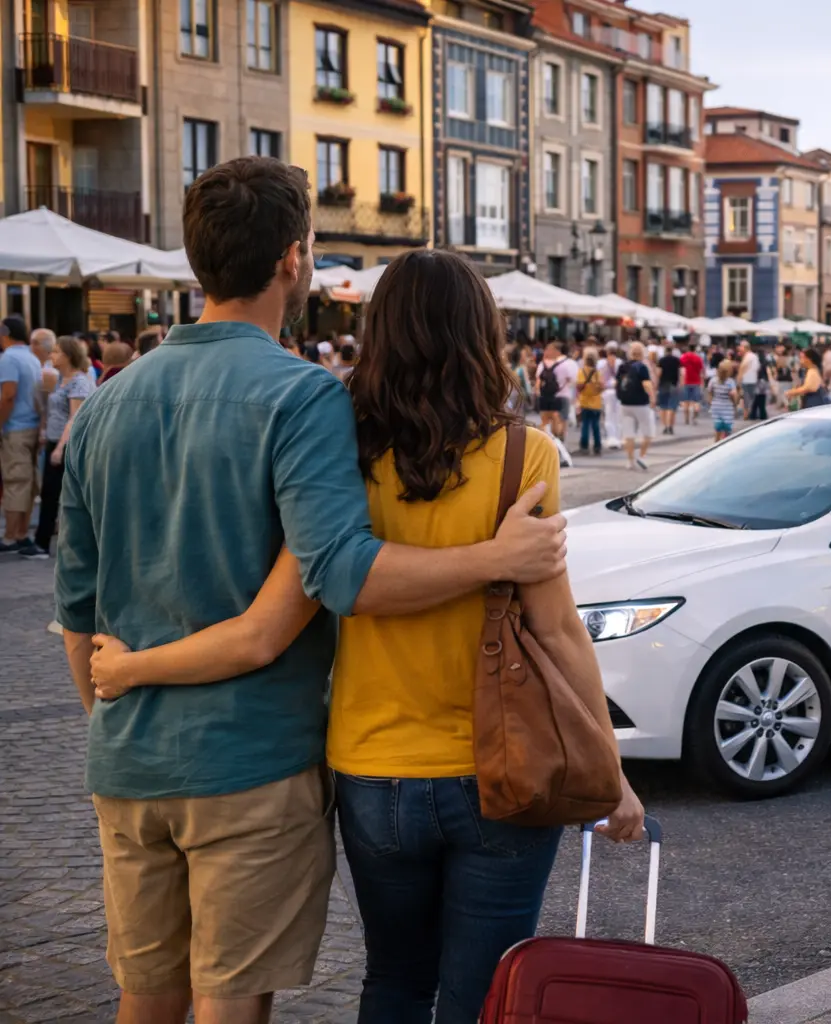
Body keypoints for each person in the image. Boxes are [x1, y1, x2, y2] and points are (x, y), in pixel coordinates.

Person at [53, 157, 568, 1023]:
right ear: (293, 260)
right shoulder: (301, 398)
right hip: (250, 759)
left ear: (196, 260)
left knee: (144, 994)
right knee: (230, 997)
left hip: (127, 761)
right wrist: (495, 558)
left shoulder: (103, 405)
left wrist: (119, 703)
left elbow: (76, 613)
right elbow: (337, 577)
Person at [34, 335, 96, 555]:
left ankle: (42, 543)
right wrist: (45, 433)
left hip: (66, 444)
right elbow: (51, 411)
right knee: (50, 493)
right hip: (53, 441)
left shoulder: (79, 381)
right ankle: (42, 540)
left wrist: (61, 447)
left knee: (57, 493)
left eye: (57, 351)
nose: (52, 355)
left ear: (68, 355)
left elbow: (74, 417)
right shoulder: (60, 380)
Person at [0, 314, 43, 556]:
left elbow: (8, 395)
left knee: (15, 482)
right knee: (27, 483)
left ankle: (11, 537)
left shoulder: (8, 358)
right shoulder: (32, 357)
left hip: (15, 427)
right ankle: (21, 533)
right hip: (33, 426)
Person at [616, 340, 655, 470]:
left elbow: (617, 384)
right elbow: (646, 384)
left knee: (628, 434)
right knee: (648, 433)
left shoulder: (623, 366)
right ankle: (642, 456)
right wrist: (653, 397)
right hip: (641, 404)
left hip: (625, 404)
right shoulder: (642, 367)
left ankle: (630, 460)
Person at [535, 342, 573, 440]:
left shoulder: (542, 364)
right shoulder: (566, 363)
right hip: (561, 395)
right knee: (560, 419)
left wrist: (537, 392)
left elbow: (538, 380)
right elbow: (571, 380)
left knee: (545, 419)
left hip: (544, 395)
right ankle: (559, 439)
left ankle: (547, 439)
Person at [576, 350, 605, 456]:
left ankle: (584, 446)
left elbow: (579, 386)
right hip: (596, 403)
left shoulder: (581, 371)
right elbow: (602, 386)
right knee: (596, 426)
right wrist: (596, 390)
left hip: (584, 402)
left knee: (585, 425)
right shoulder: (598, 373)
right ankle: (597, 447)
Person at [708, 357, 739, 440]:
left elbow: (710, 392)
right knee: (727, 430)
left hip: (716, 407)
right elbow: (734, 394)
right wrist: (735, 404)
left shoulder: (713, 380)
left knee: (718, 430)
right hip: (727, 408)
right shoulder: (730, 382)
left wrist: (711, 402)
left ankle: (716, 445)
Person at [655, 343, 681, 434]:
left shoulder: (661, 360)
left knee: (663, 407)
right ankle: (671, 426)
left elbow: (658, 373)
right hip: (674, 384)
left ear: (665, 350)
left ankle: (665, 426)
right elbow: (680, 372)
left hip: (663, 385)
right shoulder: (677, 360)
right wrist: (680, 384)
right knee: (672, 407)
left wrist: (656, 384)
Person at [678, 343, 704, 425]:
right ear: (695, 349)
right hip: (696, 382)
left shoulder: (683, 357)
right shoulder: (698, 358)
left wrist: (681, 381)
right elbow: (701, 371)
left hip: (686, 381)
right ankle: (694, 418)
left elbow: (681, 370)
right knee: (696, 401)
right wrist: (702, 382)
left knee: (686, 402)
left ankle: (686, 419)